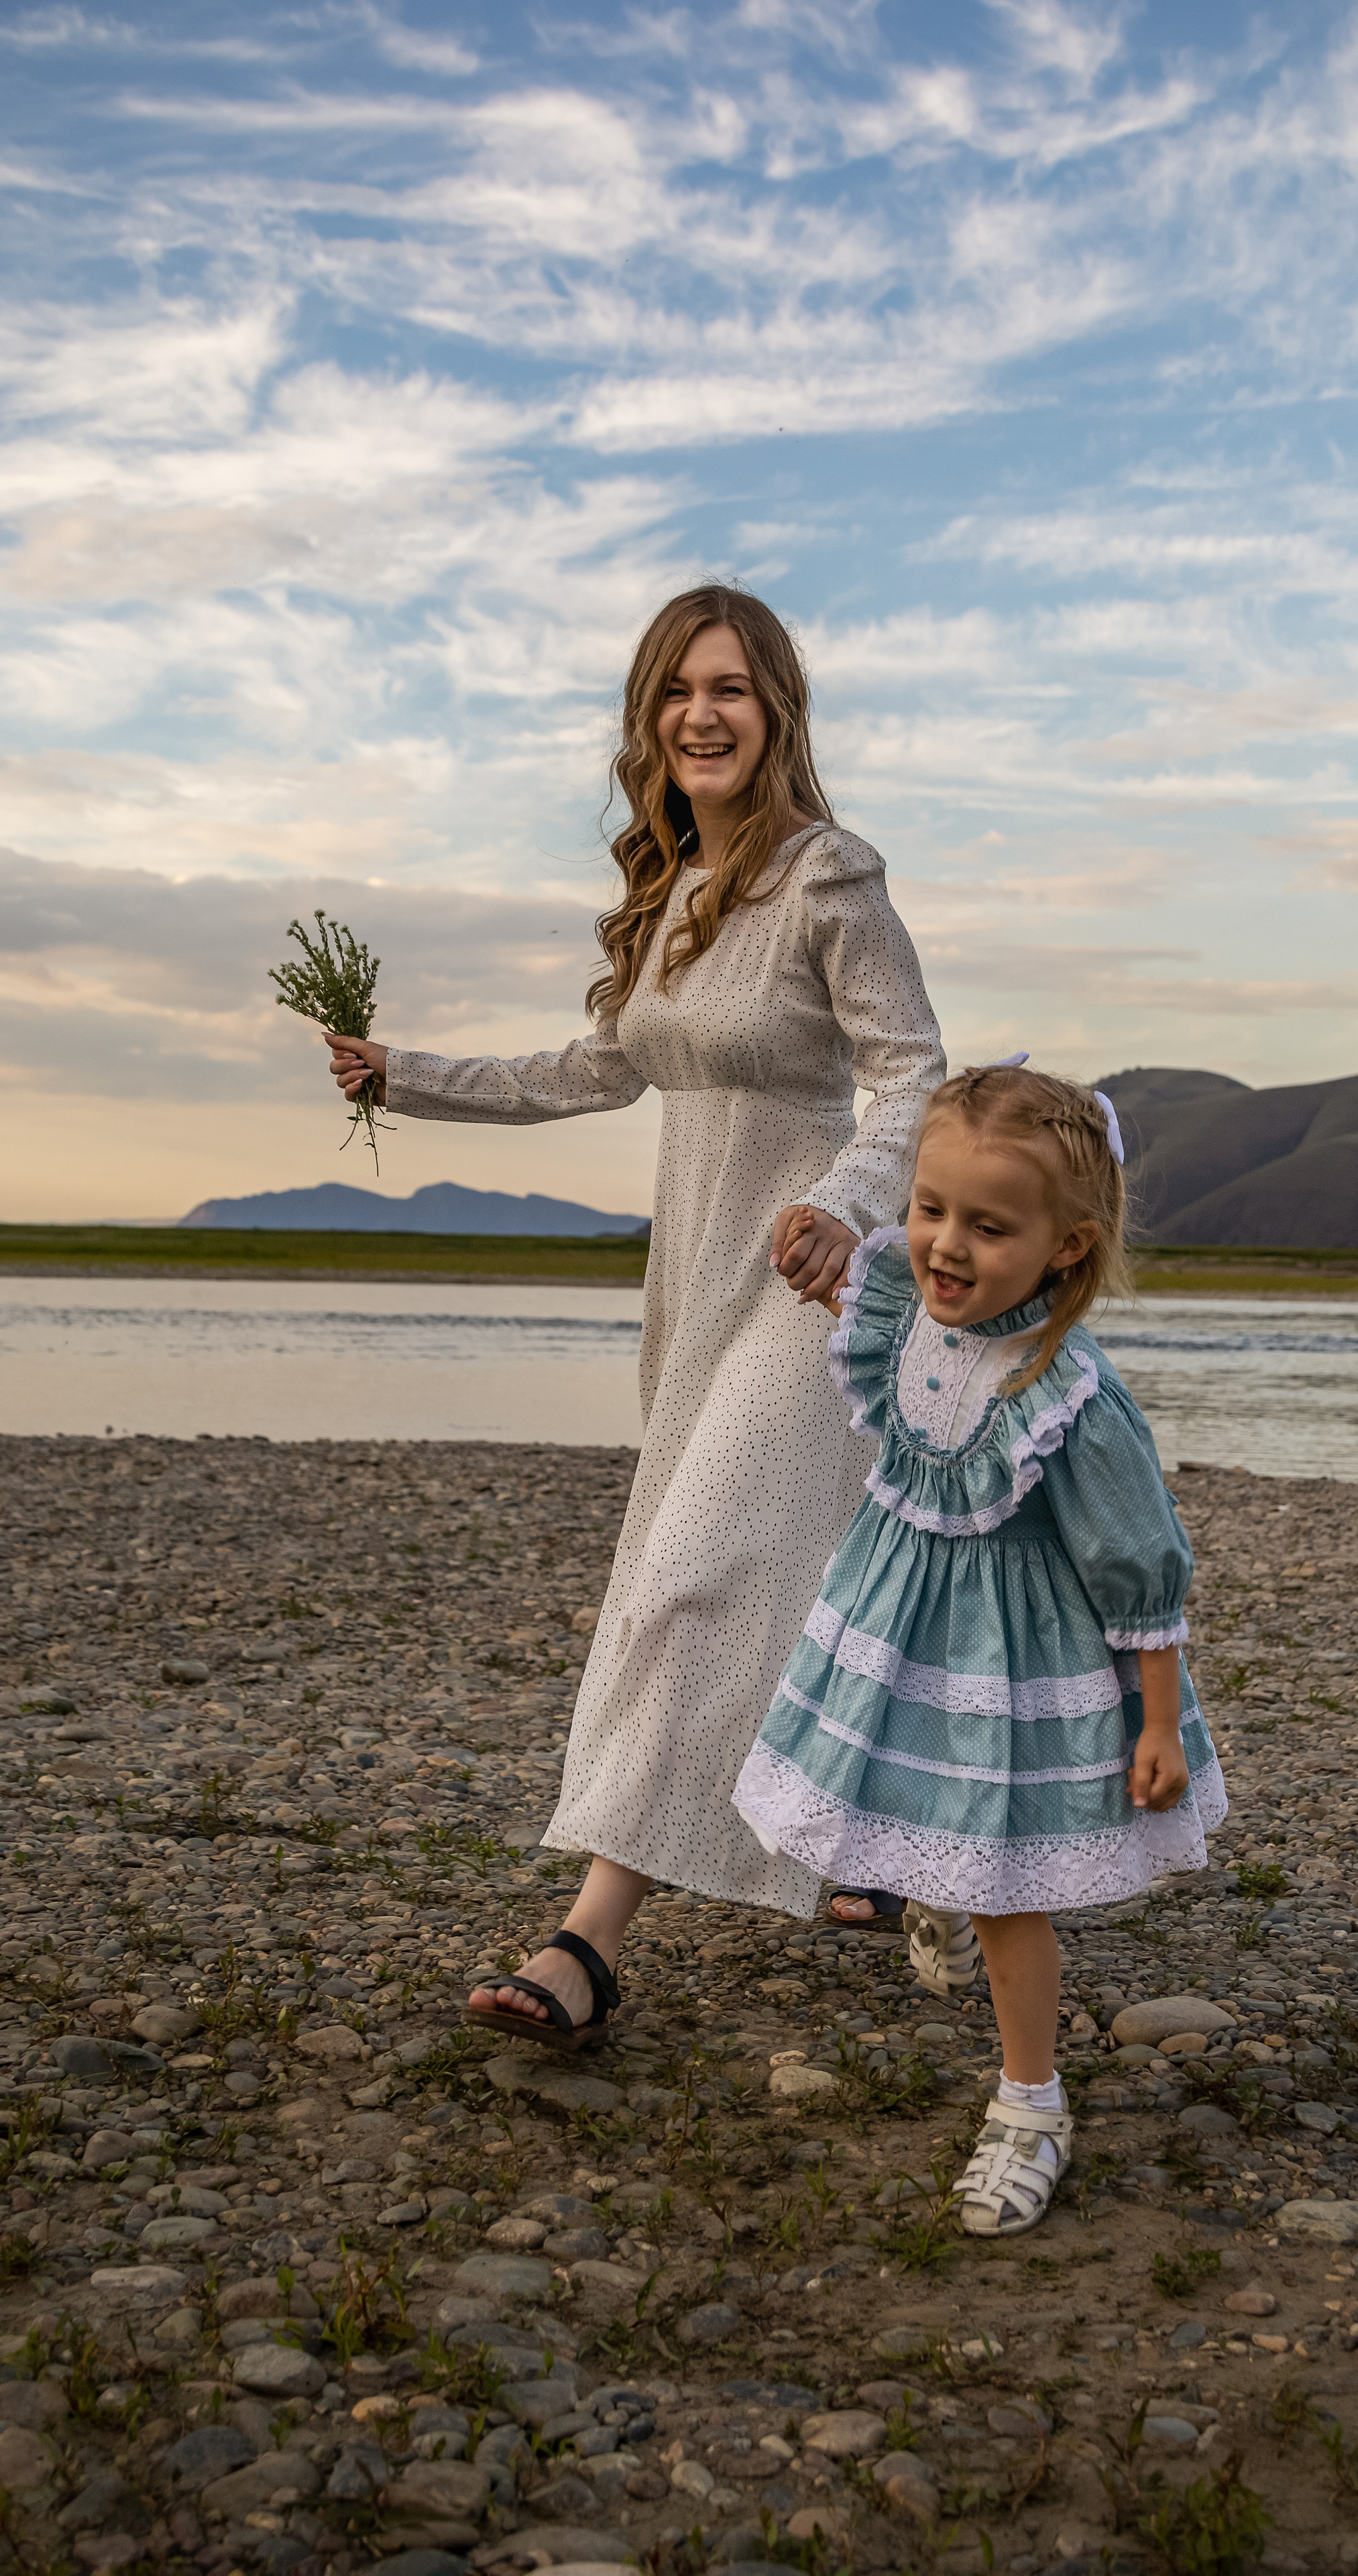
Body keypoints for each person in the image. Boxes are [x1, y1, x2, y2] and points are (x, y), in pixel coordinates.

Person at [323, 584, 946, 2044]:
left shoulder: (828, 878)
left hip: (808, 1278)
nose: (700, 713)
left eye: (729, 686)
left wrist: (845, 1208)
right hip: (691, 1281)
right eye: (675, 689)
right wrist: (399, 1072)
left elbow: (911, 1074)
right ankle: (854, 1852)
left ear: (774, 709)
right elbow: (589, 1071)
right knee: (782, 1569)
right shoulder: (672, 894)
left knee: (694, 1573)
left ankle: (587, 1941)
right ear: (649, 720)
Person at [732, 1064, 1227, 2233]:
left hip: (1017, 1659)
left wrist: (1156, 1722)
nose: (946, 1246)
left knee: (1009, 1890)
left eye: (989, 1227)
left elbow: (1138, 1562)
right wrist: (821, 1249)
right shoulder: (909, 1301)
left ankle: (1030, 2105)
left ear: (1068, 1246)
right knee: (891, 1790)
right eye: (931, 1209)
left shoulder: (1069, 1394)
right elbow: (866, 1301)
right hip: (897, 1620)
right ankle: (932, 1892)